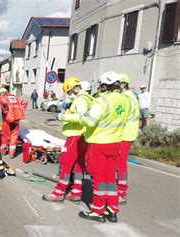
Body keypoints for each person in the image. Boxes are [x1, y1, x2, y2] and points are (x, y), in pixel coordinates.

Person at [62, 71, 130, 223]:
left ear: (105, 86)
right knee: (111, 177)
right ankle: (112, 210)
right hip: (116, 142)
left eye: (101, 86)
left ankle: (98, 210)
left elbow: (91, 121)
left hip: (99, 143)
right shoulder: (124, 100)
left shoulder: (102, 101)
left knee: (98, 178)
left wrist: (78, 117)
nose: (99, 88)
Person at [42, 77, 93, 203]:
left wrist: (62, 116)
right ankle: (76, 191)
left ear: (74, 88)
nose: (70, 95)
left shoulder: (81, 100)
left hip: (75, 136)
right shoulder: (87, 99)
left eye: (69, 92)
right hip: (83, 137)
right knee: (79, 165)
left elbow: (80, 116)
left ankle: (58, 193)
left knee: (66, 164)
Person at [118, 73, 140, 205]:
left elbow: (118, 116)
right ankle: (119, 190)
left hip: (124, 135)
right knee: (118, 164)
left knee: (120, 165)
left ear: (123, 84)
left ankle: (121, 193)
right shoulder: (130, 97)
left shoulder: (126, 98)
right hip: (127, 135)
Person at [0, 88, 27, 158]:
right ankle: (11, 153)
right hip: (16, 120)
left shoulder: (3, 98)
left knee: (5, 135)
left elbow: (4, 104)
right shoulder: (15, 97)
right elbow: (25, 102)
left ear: (2, 93)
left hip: (8, 120)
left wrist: (6, 111)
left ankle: (3, 150)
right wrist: (20, 110)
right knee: (14, 136)